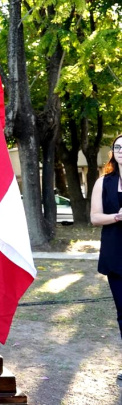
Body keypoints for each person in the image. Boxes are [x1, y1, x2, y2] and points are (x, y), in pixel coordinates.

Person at [91, 133, 122, 380]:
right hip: (116, 255)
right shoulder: (103, 182)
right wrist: (117, 216)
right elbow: (95, 217)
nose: (121, 151)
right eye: (118, 147)